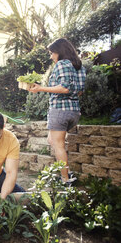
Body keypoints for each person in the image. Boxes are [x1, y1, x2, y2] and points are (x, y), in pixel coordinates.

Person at [28, 38, 86, 183]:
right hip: (74, 111)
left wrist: (40, 88)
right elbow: (79, 92)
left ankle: (65, 179)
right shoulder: (79, 66)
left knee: (58, 145)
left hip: (60, 110)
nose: (51, 56)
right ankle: (66, 172)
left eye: (52, 53)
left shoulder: (62, 64)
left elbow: (64, 88)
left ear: (59, 52)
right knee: (51, 140)